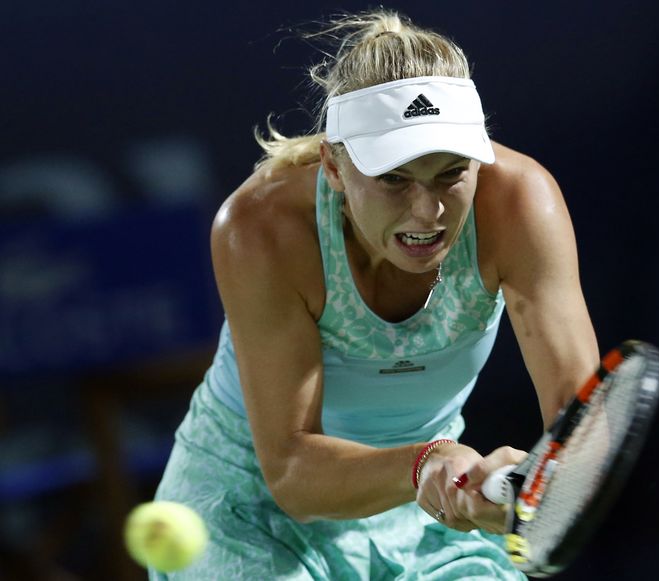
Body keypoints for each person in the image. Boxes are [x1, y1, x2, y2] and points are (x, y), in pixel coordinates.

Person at [153, 9, 598, 580]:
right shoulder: (260, 227)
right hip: (248, 504)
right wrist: (424, 467)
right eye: (394, 178)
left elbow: (579, 423)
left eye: (450, 173)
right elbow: (291, 473)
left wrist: (537, 479)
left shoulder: (521, 203)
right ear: (335, 166)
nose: (427, 211)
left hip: (428, 501)